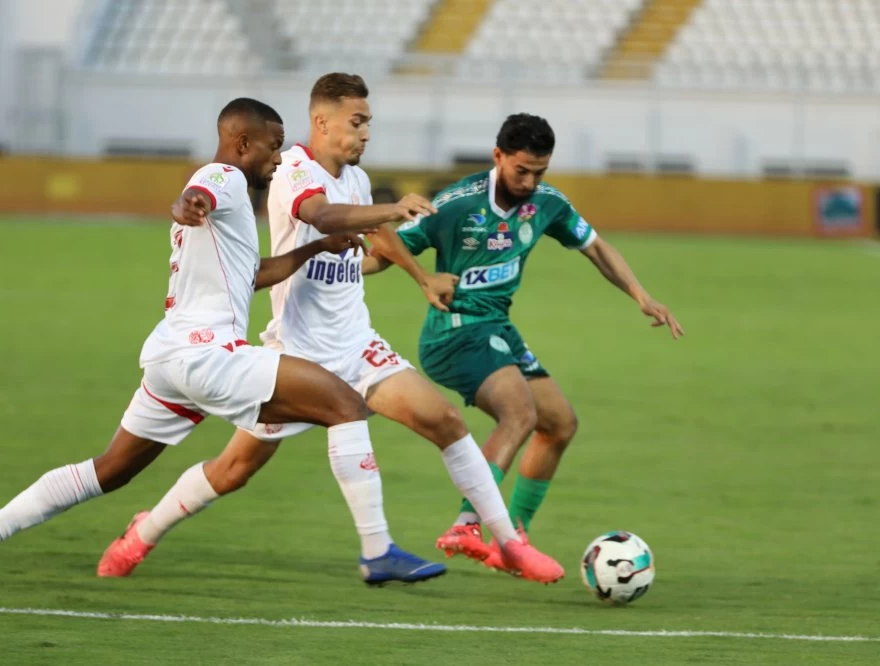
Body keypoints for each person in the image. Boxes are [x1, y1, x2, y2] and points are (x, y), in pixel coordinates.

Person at [96, 74, 566, 586]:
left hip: (357, 344)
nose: (366, 133)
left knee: (446, 421)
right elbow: (324, 216)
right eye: (357, 122)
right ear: (322, 122)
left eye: (369, 123)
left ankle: (509, 544)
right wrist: (394, 207)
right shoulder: (294, 169)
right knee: (233, 471)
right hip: (298, 354)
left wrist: (422, 276)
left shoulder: (358, 180)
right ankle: (143, 533)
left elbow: (381, 237)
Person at [0, 97, 430, 591]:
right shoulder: (226, 178)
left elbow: (255, 274)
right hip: (208, 355)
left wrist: (312, 248)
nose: (279, 159)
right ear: (243, 142)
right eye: (273, 147)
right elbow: (199, 192)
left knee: (110, 470)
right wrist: (189, 202)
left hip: (170, 358)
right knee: (346, 405)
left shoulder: (235, 199)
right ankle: (378, 551)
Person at [378, 112, 684, 571]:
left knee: (559, 424)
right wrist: (380, 270)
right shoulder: (457, 204)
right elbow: (386, 247)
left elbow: (596, 247)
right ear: (498, 156)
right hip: (453, 332)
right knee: (520, 412)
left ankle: (512, 535)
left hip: (498, 329)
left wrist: (640, 294)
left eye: (539, 172)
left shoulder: (547, 203)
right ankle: (467, 523)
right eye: (521, 170)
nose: (529, 181)